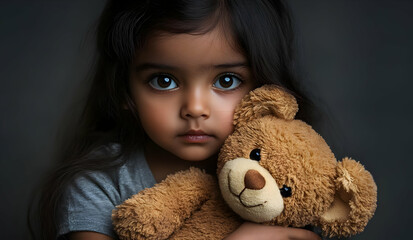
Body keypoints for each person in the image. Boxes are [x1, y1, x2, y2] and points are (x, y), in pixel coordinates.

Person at [31, 0, 321, 239]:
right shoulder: (98, 185)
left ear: (264, 89)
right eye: (164, 81)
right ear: (124, 90)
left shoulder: (287, 180)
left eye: (227, 80)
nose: (194, 108)